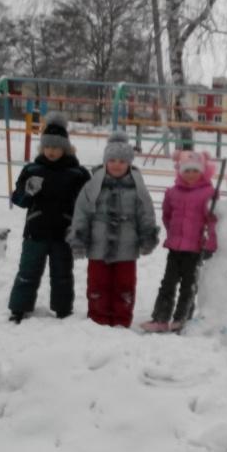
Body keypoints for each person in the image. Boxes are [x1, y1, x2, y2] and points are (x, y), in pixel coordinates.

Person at [68, 131, 159, 328]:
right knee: (97, 284)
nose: (117, 164)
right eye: (112, 160)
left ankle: (121, 319)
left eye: (122, 161)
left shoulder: (137, 187)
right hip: (98, 245)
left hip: (127, 247)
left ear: (129, 163)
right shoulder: (93, 185)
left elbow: (146, 213)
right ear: (105, 161)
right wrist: (79, 238)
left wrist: (147, 236)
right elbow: (82, 212)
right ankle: (97, 320)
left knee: (124, 286)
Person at [7, 112, 91, 323]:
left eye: (56, 147)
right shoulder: (32, 169)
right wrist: (28, 191)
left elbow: (88, 202)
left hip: (63, 234)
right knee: (28, 272)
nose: (52, 151)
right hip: (35, 232)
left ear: (65, 148)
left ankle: (63, 309)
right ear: (42, 147)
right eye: (48, 146)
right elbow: (18, 199)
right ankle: (19, 308)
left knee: (62, 274)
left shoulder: (77, 173)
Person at [144, 151, 217, 333]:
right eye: (187, 170)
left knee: (188, 285)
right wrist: (173, 234)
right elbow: (167, 215)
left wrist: (210, 244)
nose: (190, 174)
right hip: (175, 247)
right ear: (180, 171)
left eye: (195, 170)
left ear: (202, 172)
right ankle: (160, 318)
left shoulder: (208, 193)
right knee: (167, 283)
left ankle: (182, 318)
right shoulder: (173, 192)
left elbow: (213, 221)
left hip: (195, 248)